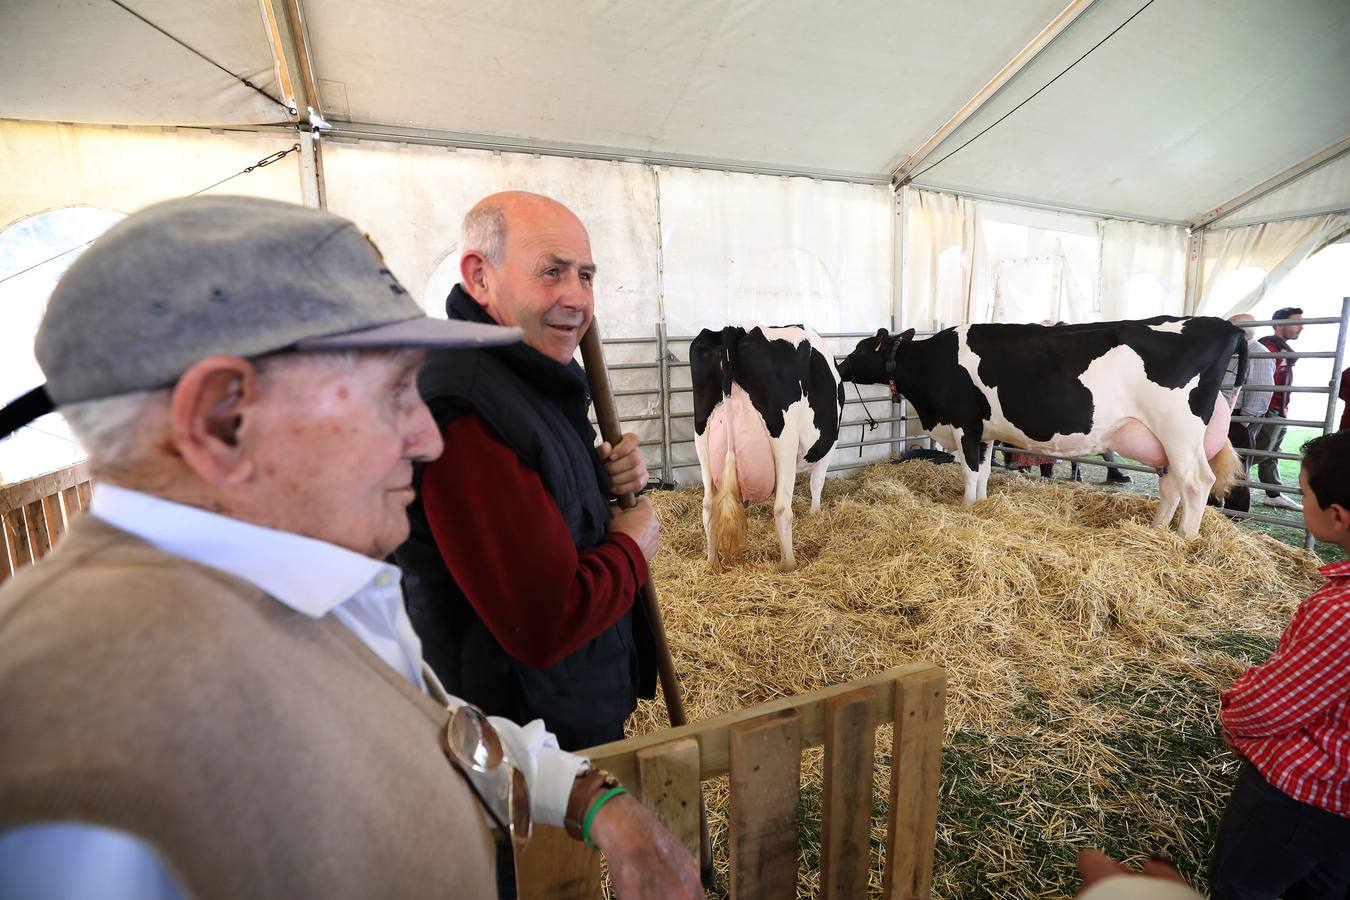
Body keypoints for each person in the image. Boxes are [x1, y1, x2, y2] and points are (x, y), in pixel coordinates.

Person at [0, 196, 701, 900]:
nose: (427, 438)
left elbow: (431, 727)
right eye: (394, 392)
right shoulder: (70, 734)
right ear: (222, 421)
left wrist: (588, 800)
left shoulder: (311, 582)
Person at [394, 192, 659, 755]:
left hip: (559, 712)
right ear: (479, 277)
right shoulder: (463, 407)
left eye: (586, 276)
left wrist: (598, 475)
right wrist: (633, 547)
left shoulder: (524, 374)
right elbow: (544, 623)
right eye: (551, 272)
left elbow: (537, 499)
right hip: (516, 745)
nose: (577, 298)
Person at [1211, 429, 1350, 899]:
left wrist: (1232, 716)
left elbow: (1276, 702)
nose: (1300, 497)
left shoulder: (1341, 612)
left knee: (1243, 884)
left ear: (1337, 516)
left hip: (1303, 794)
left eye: (1304, 491)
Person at [1252, 307, 1304, 510]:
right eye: (1296, 322)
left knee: (1273, 452)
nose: (1301, 327)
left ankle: (1273, 493)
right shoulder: (1268, 347)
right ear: (1279, 325)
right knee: (1261, 451)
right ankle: (1224, 480)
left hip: (1280, 408)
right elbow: (1260, 380)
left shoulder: (1281, 348)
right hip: (1268, 408)